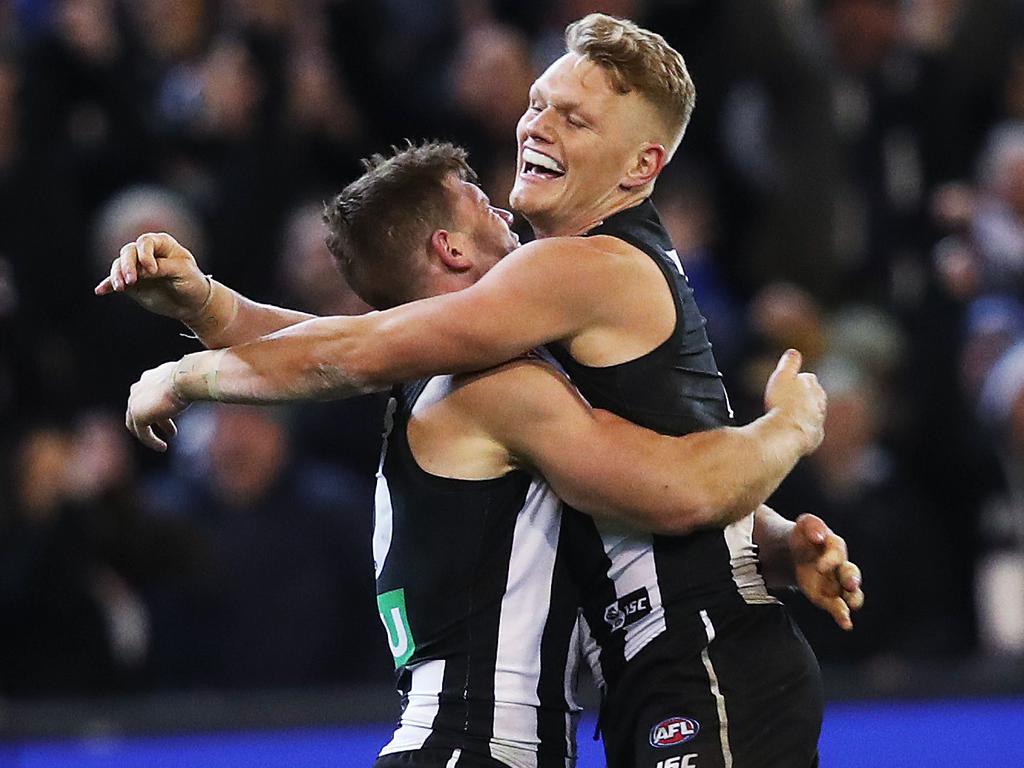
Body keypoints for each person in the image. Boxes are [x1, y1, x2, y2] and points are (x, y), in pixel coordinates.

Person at [101, 16, 862, 767]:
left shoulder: (565, 281)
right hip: (531, 731)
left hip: (689, 669)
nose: (535, 127)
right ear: (452, 251)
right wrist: (787, 433)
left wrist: (206, 324)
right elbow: (680, 484)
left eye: (573, 117)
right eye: (538, 103)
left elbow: (352, 345)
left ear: (638, 167)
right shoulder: (494, 376)